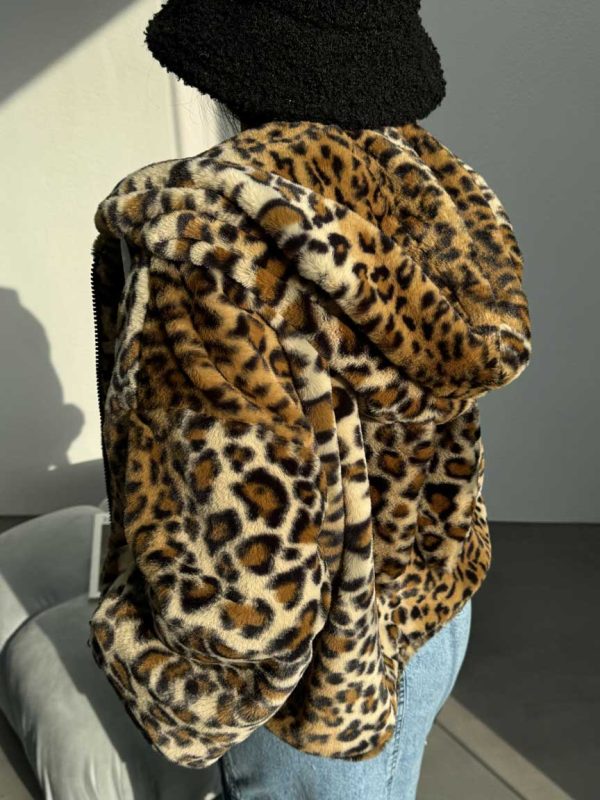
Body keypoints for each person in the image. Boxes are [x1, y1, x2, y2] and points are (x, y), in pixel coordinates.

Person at [87, 2, 531, 799]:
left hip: (315, 685)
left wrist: (163, 680)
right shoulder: (434, 190)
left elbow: (248, 584)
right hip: (431, 613)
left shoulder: (211, 243)